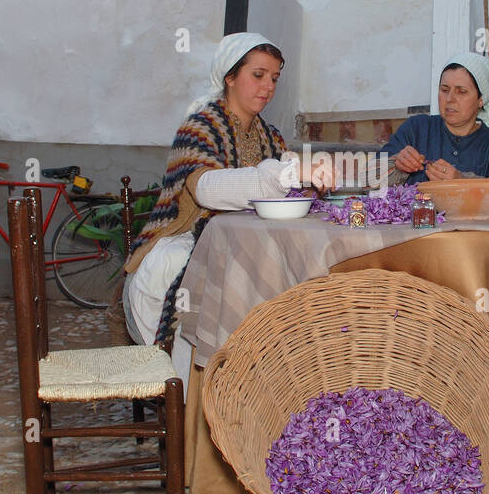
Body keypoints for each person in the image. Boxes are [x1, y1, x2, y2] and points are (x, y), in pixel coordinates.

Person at [120, 33, 331, 367]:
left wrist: (310, 185)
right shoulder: (199, 129)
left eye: (274, 78)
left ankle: (256, 379)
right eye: (258, 75)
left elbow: (287, 180)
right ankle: (195, 398)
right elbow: (207, 189)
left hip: (242, 245)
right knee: (210, 276)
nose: (268, 87)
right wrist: (283, 176)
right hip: (183, 244)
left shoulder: (269, 135)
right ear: (230, 77)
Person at [381, 52, 489, 183]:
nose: (450, 99)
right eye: (444, 90)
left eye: (461, 92)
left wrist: (462, 181)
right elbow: (367, 180)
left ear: (481, 99)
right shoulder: (416, 129)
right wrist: (396, 163)